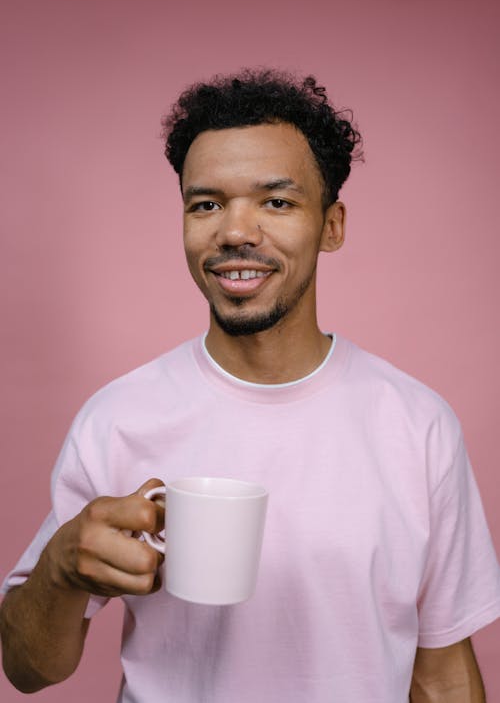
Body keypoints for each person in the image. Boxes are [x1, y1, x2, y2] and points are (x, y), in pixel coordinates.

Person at [1, 69, 499, 703]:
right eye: (206, 204)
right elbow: (25, 667)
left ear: (332, 225)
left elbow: (443, 674)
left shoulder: (418, 424)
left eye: (276, 201)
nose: (234, 232)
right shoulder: (119, 418)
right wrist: (62, 568)